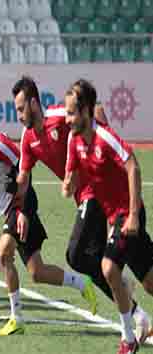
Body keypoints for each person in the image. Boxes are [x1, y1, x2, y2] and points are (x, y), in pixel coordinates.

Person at [11, 76, 151, 343]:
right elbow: (23, 178)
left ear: (33, 103)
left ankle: (128, 321)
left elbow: (95, 111)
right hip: (92, 200)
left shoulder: (60, 115)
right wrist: (15, 203)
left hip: (95, 196)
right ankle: (136, 311)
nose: (18, 115)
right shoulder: (28, 139)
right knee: (133, 271)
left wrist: (101, 150)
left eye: (20, 109)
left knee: (78, 255)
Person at [0, 100, 97, 336]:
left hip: (22, 205)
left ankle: (16, 317)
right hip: (9, 212)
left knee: (4, 254)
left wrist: (24, 211)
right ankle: (83, 284)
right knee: (37, 272)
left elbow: (25, 171)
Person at [63, 79, 153, 354]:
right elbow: (73, 172)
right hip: (113, 215)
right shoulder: (74, 139)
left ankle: (128, 339)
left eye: (71, 113)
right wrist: (69, 183)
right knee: (149, 280)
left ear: (87, 111)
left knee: (108, 267)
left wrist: (134, 216)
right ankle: (135, 325)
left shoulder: (105, 137)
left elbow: (133, 167)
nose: (67, 119)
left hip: (128, 215)